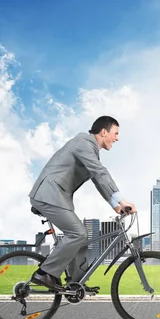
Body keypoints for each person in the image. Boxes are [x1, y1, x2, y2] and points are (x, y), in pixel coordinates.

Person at [28, 115, 137, 291]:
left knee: (80, 237)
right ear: (103, 132)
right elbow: (100, 172)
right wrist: (123, 200)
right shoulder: (84, 142)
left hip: (56, 196)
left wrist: (116, 206)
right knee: (78, 233)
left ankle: (76, 283)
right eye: (115, 133)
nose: (117, 138)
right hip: (48, 195)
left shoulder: (91, 150)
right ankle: (44, 273)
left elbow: (97, 179)